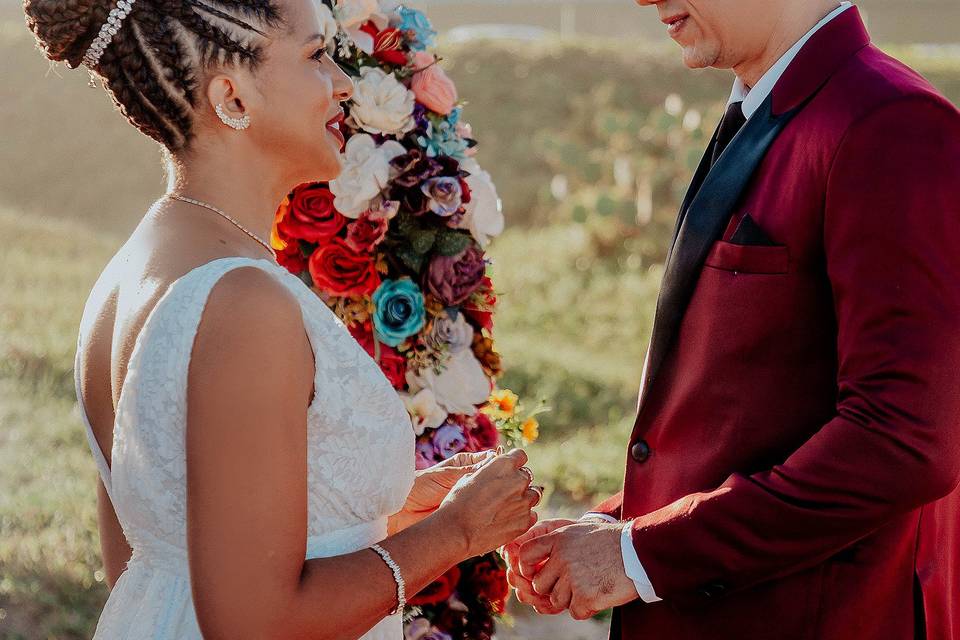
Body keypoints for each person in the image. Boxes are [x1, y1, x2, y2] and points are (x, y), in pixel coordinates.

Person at [23, 0, 540, 637]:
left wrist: (382, 512)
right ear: (232, 95)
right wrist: (452, 534)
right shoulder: (244, 302)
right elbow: (253, 625)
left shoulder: (130, 273)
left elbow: (152, 556)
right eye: (315, 56)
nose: (344, 84)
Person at [506, 1, 960, 638]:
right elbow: (751, 413)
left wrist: (640, 558)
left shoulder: (891, 122)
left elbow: (903, 441)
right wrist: (624, 526)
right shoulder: (766, 109)